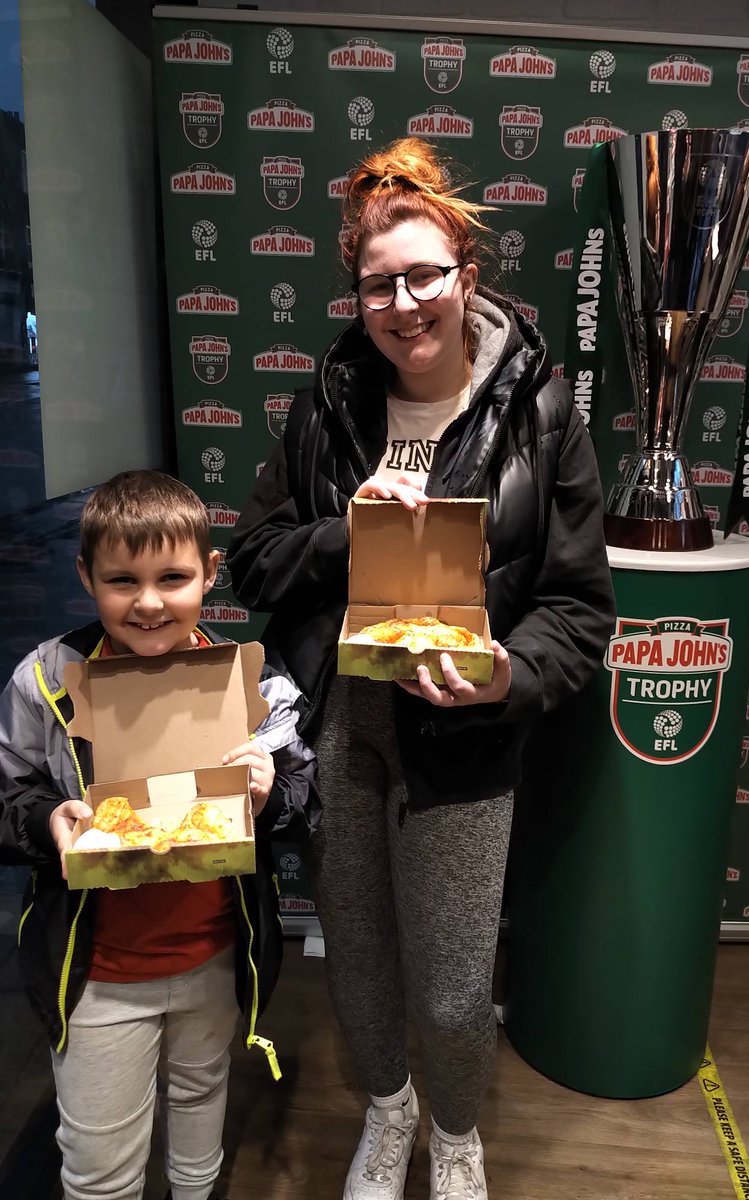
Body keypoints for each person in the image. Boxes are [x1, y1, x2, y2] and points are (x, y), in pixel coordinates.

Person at [227, 138, 615, 1200]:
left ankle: (454, 1132)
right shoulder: (328, 403)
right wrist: (342, 533)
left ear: (464, 279)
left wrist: (507, 674)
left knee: (448, 992)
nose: (402, 304)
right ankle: (388, 1108)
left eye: (422, 277)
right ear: (355, 295)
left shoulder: (538, 412)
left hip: (466, 731)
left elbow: (578, 610)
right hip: (344, 724)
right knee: (355, 968)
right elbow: (252, 556)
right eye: (377, 285)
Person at [0, 470, 318, 1200]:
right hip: (98, 976)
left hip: (211, 958)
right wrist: (46, 818)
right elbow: (7, 788)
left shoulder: (253, 688)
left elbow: (303, 795)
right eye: (122, 580)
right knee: (100, 1164)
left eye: (172, 577)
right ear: (86, 577)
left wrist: (269, 793)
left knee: (200, 1110)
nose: (148, 602)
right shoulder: (49, 680)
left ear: (210, 573)